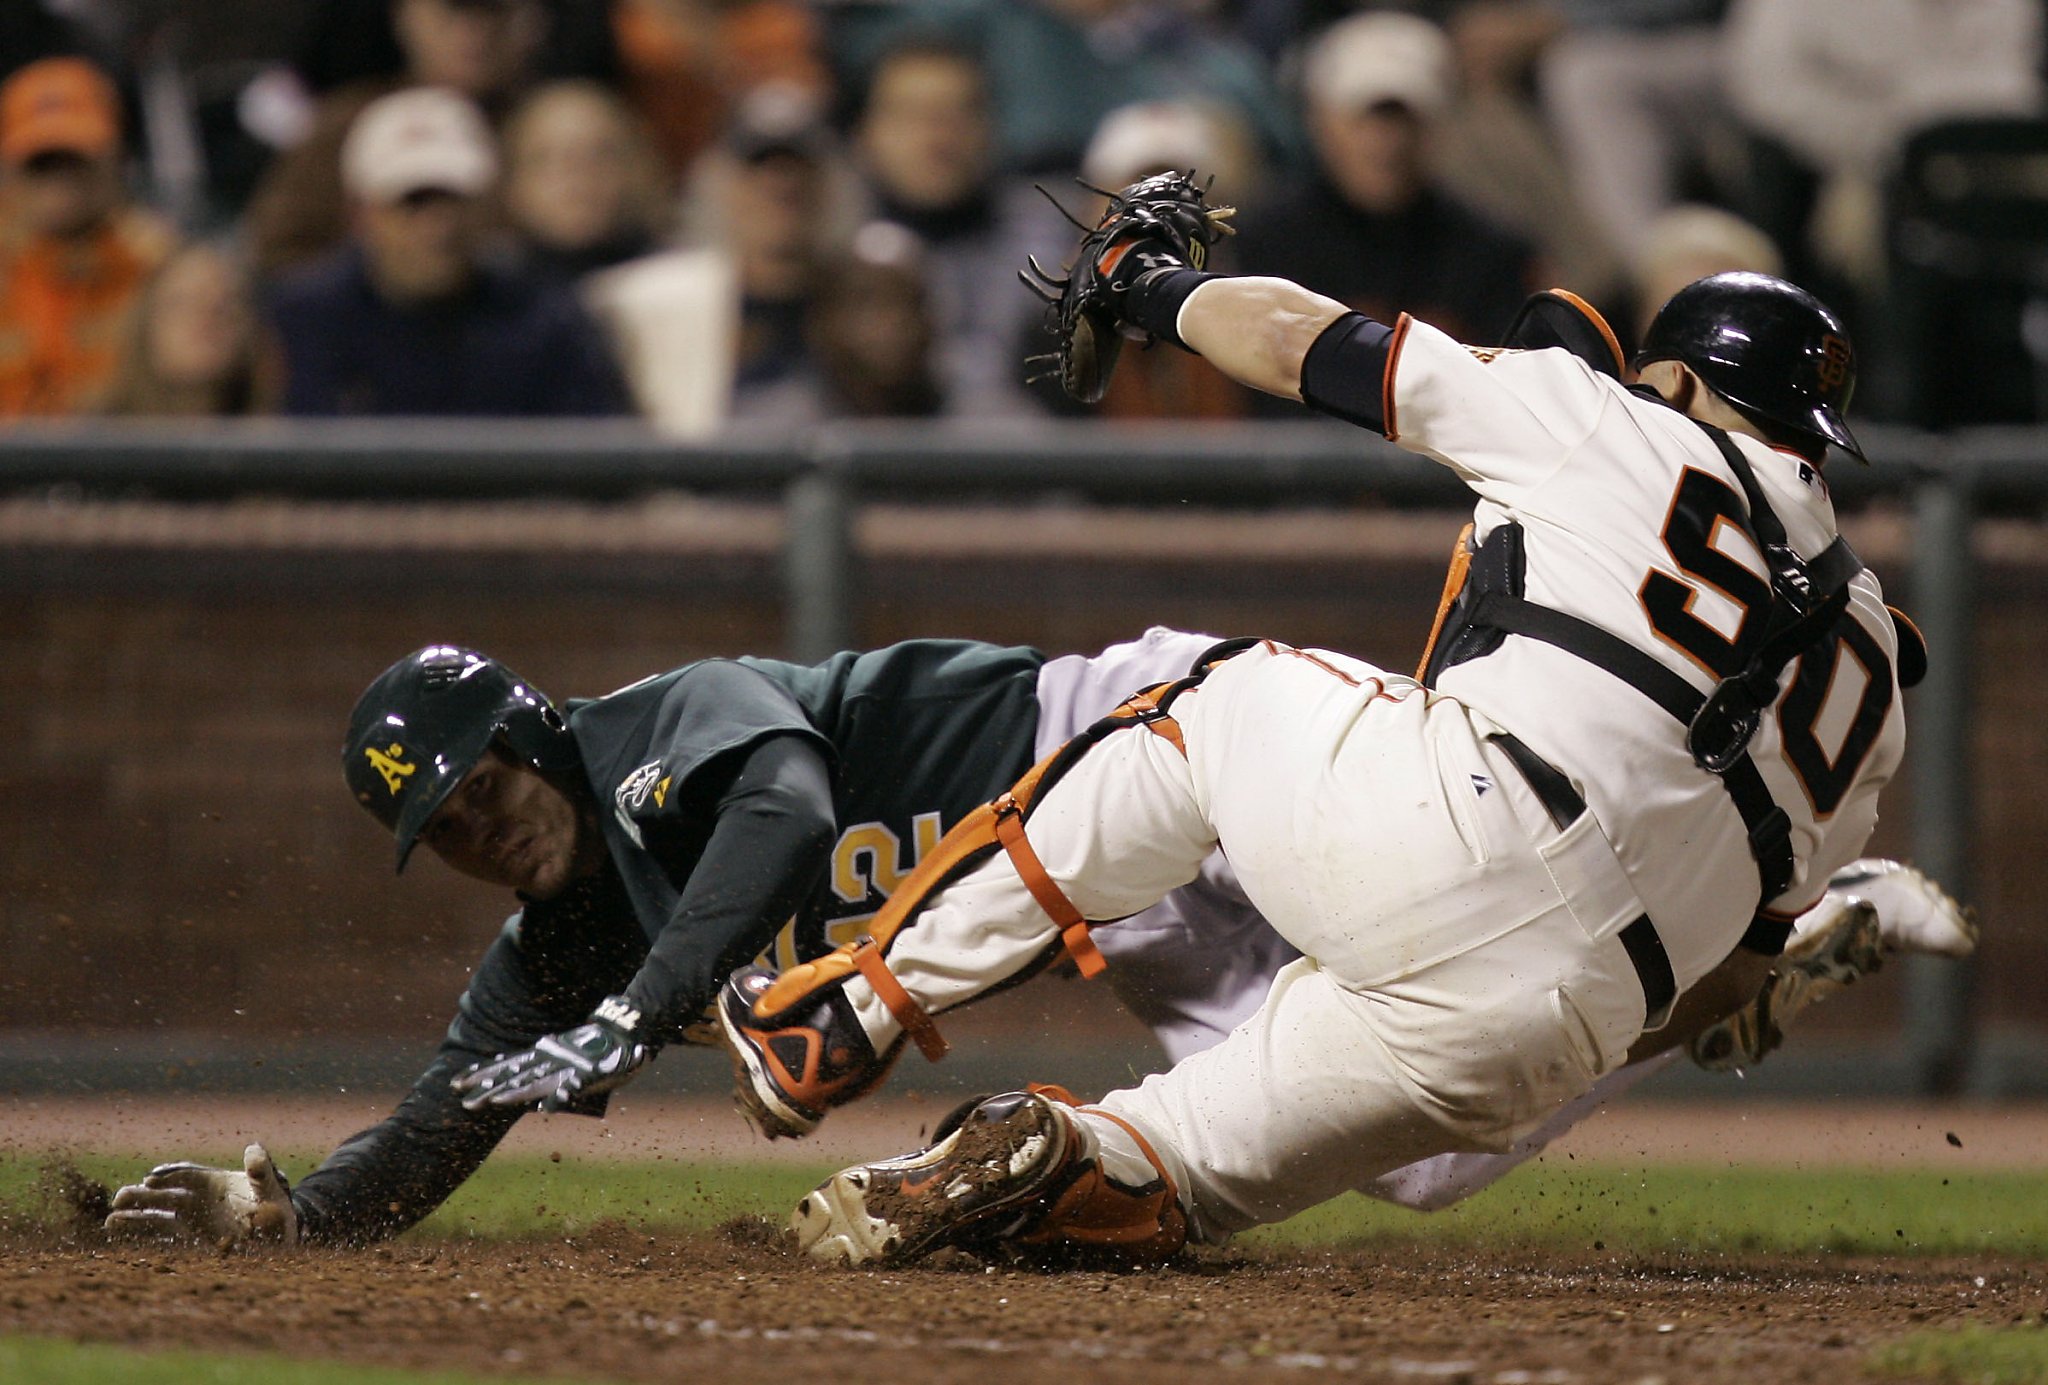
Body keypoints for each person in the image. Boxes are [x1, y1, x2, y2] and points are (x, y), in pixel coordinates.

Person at [717, 176, 1924, 1267]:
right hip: (1561, 1021)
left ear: (1675, 381)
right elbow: (1726, 976)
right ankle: (1058, 1148)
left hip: (1464, 821)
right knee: (1163, 1170)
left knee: (1199, 698)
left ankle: (849, 1006)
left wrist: (1149, 284)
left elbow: (1305, 343)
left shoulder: (1618, 423)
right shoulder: (1873, 684)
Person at [94, 626, 1962, 1246]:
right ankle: (1747, 957)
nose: (485, 832)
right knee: (1429, 1159)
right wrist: (299, 1205)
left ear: (529, 733)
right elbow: (455, 1100)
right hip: (1095, 908)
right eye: (450, 839)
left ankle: (1694, 894)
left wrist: (653, 1006)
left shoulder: (660, 726)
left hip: (1156, 753)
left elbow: (790, 815)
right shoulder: (553, 938)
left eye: (484, 789)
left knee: (1408, 897)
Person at [265, 86, 630, 417]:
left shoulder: (542, 317)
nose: (438, 227)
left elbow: (600, 462)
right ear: (362, 215)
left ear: (485, 205)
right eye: (414, 202)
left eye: (453, 199)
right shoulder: (303, 321)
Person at [1232, 11, 1539, 354]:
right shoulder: (1263, 246)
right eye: (1365, 118)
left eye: (1403, 118)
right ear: (1320, 120)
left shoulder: (1492, 253)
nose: (1385, 141)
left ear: (1437, 127)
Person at [0, 56, 176, 416]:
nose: (60, 180)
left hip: (125, 465)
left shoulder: (161, 269)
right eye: (42, 162)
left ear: (116, 158)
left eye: (75, 159)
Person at [101, 242, 279, 416]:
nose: (205, 319)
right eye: (184, 303)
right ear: (145, 326)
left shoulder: (281, 437)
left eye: (223, 306)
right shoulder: (91, 436)